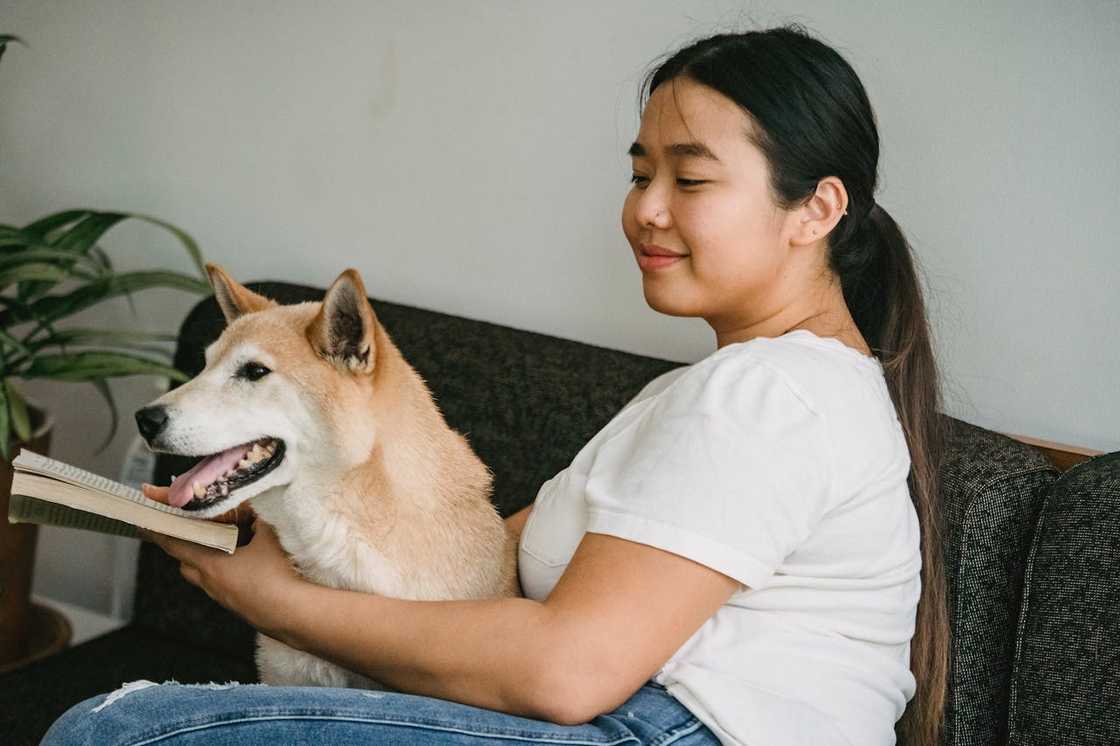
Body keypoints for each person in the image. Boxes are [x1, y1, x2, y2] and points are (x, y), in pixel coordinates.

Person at [42, 24, 947, 746]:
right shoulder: (721, 391)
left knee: (115, 733)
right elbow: (480, 557)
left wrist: (270, 600)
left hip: (662, 731)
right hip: (627, 721)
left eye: (691, 178)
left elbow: (564, 673)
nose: (646, 209)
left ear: (818, 210)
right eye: (639, 173)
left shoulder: (773, 395)